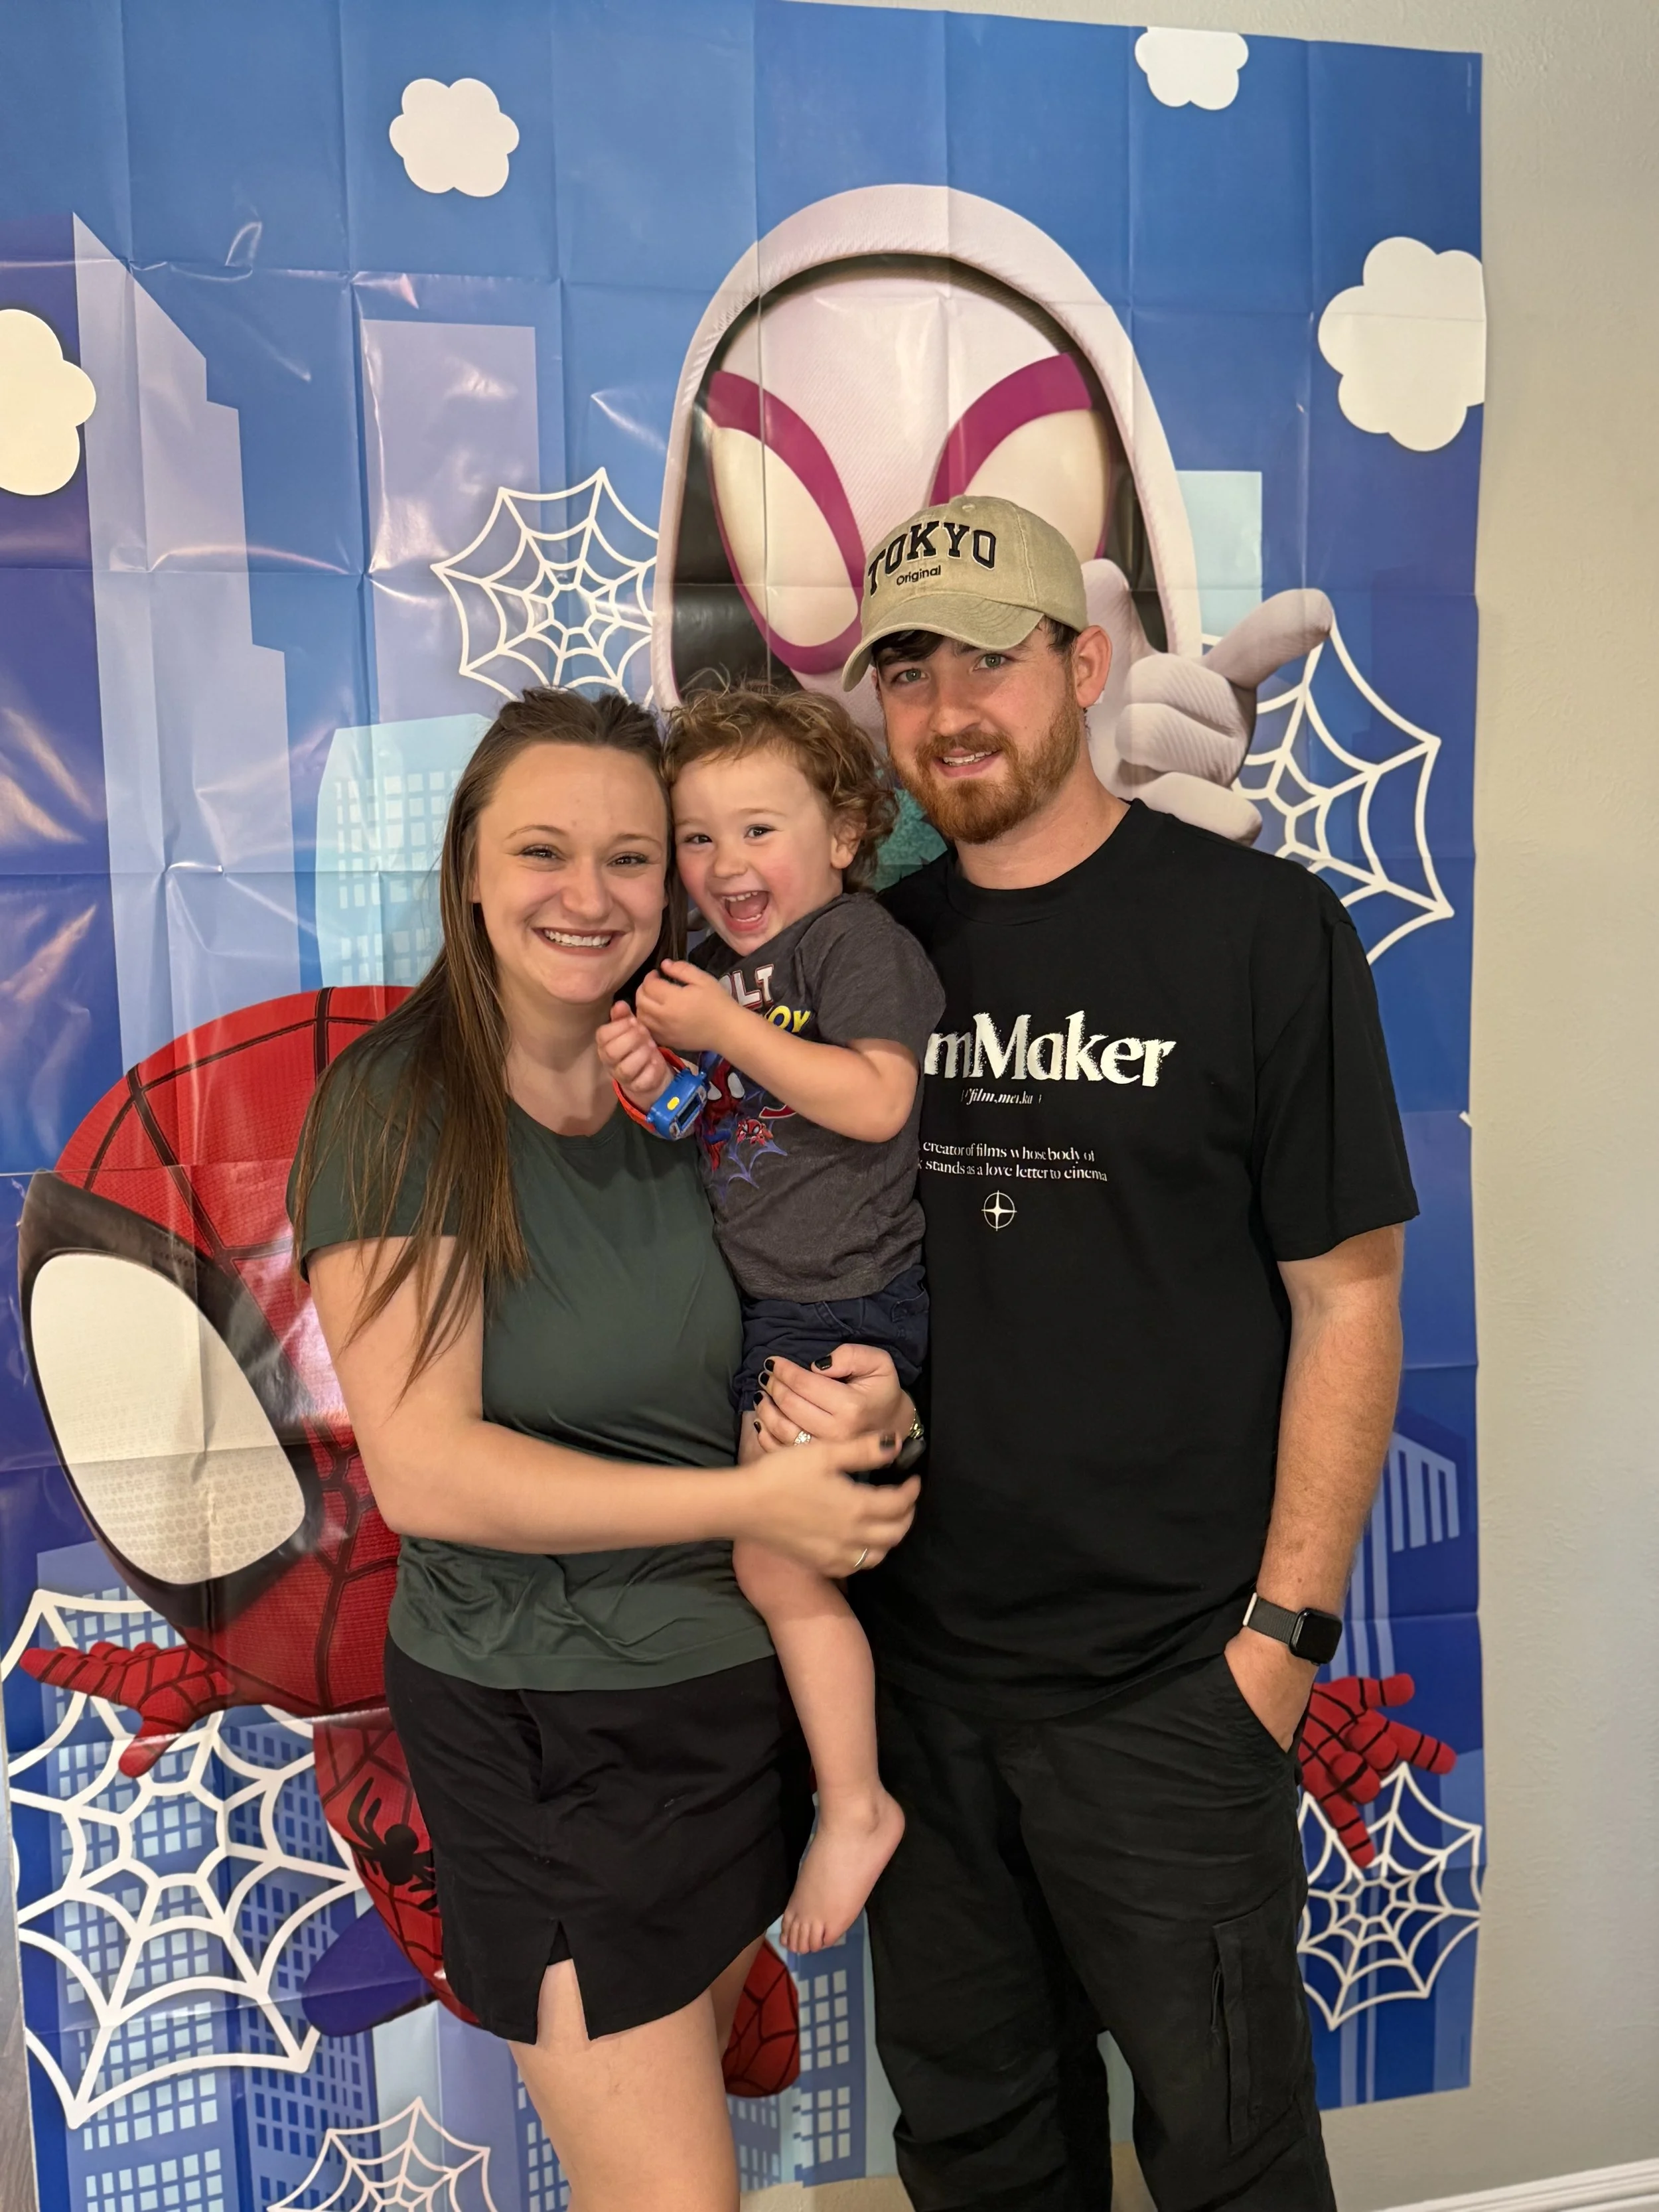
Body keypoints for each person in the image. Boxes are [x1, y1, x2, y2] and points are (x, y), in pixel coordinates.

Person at [757, 492, 1419, 2211]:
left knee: (1232, 2161)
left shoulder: (1258, 931)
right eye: (908, 672)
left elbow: (1349, 1300)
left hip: (1170, 1692)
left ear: (1084, 661)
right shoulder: (861, 956)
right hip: (919, 1692)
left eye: (989, 659)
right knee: (977, 2157)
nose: (948, 708)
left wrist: (1278, 1643)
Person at [285, 686, 919, 2212]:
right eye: (543, 851)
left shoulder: (693, 1088)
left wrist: (874, 1410)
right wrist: (755, 1494)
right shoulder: (399, 1104)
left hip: (732, 1706)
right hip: (548, 1723)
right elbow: (428, 1472)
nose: (590, 894)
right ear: (469, 867)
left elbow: (802, 1303)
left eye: (631, 857)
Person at [596, 684, 943, 1954]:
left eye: (758, 829)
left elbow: (874, 1101)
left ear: (845, 833)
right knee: (764, 1564)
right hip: (771, 1308)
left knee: (772, 1564)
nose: (724, 863)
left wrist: (723, 1024)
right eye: (697, 837)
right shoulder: (721, 972)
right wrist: (655, 1080)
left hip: (841, 1301)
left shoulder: (853, 945)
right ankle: (836, 1796)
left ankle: (856, 1806)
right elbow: (714, 1123)